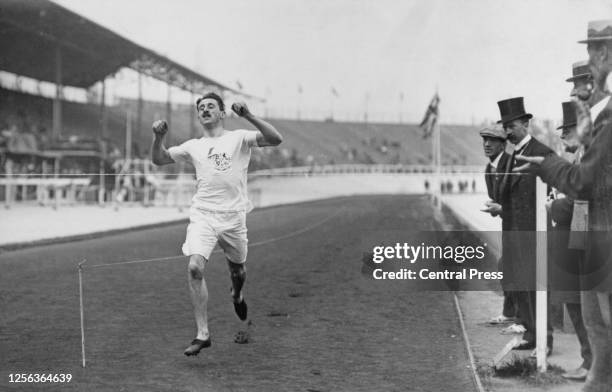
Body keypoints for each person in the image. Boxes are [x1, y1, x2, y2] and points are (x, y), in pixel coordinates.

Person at [516, 20, 612, 392]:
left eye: (593, 51)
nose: (589, 60)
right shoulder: (597, 121)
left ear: (604, 55)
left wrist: (547, 165)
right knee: (596, 323)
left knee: (603, 321)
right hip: (593, 241)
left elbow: (582, 181)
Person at [151, 92, 283, 356]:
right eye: (201, 107)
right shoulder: (193, 146)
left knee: (238, 271)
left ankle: (237, 295)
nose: (206, 110)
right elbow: (159, 159)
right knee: (194, 268)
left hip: (234, 218)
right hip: (204, 215)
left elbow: (275, 139)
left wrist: (248, 116)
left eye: (211, 106)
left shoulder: (239, 137)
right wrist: (158, 136)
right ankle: (203, 334)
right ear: (199, 116)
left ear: (222, 113)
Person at [496, 97, 555, 353]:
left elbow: (552, 194)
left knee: (540, 287)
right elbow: (507, 195)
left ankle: (546, 341)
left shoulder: (542, 152)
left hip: (536, 232)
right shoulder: (510, 157)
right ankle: (531, 334)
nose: (507, 131)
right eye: (505, 126)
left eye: (512, 126)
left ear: (525, 124)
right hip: (515, 233)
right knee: (523, 286)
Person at [548, 101, 591, 381]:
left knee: (583, 304)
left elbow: (579, 202)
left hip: (585, 243)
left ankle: (591, 363)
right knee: (575, 303)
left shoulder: (587, 160)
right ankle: (590, 361)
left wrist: (553, 206)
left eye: (566, 132)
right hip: (576, 241)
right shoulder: (579, 160)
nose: (563, 139)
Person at [479, 126, 519, 326]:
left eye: (492, 140)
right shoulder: (489, 169)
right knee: (505, 266)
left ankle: (520, 316)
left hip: (522, 225)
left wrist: (500, 208)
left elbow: (520, 201)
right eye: (485, 140)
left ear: (503, 144)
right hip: (509, 224)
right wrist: (496, 207)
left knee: (514, 267)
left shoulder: (512, 164)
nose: (487, 144)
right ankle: (510, 311)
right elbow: (496, 197)